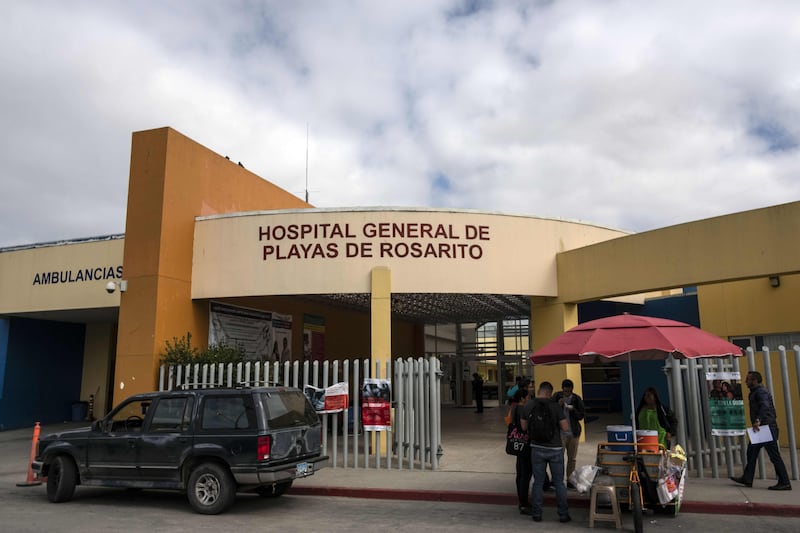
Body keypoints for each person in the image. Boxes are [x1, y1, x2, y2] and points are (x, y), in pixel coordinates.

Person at [731, 371, 792, 491]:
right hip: (761, 429)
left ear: (755, 381)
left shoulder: (760, 392)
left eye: (748, 379)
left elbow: (765, 406)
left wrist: (758, 420)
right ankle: (747, 478)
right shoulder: (755, 392)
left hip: (765, 428)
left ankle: (785, 482)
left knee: (774, 456)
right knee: (751, 452)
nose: (745, 382)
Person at [521, 381, 571, 523]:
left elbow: (524, 427)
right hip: (555, 449)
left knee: (538, 482)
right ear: (549, 393)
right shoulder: (555, 406)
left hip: (536, 448)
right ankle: (563, 514)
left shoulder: (528, 405)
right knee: (559, 483)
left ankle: (537, 514)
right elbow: (566, 428)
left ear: (539, 391)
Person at [507, 378, 534, 514]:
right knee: (525, 475)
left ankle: (521, 500)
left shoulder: (514, 408)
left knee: (520, 474)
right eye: (528, 396)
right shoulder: (523, 409)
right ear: (523, 398)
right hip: (525, 445)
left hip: (518, 444)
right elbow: (525, 427)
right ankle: (524, 503)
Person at [553, 379, 585, 487]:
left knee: (572, 458)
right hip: (560, 433)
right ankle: (557, 479)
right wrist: (558, 405)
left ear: (572, 390)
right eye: (565, 392)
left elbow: (581, 415)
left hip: (573, 433)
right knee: (558, 458)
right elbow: (550, 412)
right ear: (562, 390)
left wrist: (573, 410)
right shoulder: (557, 397)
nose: (567, 394)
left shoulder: (576, 399)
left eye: (569, 392)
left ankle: (570, 479)